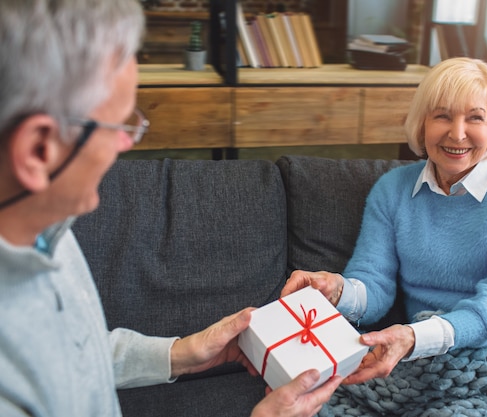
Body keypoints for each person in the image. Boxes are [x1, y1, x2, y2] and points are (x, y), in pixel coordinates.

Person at [0, 1, 341, 416]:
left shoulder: (47, 228)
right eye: (120, 126)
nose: (128, 145)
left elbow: (69, 353)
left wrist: (182, 352)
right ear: (38, 150)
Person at [283, 57, 487, 385]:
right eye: (442, 115)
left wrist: (415, 337)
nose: (457, 134)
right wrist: (335, 290)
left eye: (475, 118)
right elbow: (375, 287)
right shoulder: (392, 189)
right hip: (424, 351)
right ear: (422, 123)